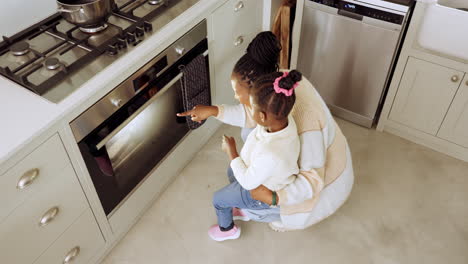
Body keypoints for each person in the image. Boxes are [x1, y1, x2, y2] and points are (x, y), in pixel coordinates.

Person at [177, 31, 354, 232]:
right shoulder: (279, 88)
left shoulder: (305, 124)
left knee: (253, 205)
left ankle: (266, 214)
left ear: (259, 105)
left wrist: (273, 197)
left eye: (238, 93)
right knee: (247, 135)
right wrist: (214, 111)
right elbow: (250, 116)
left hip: (324, 184)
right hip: (279, 163)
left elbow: (312, 181)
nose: (235, 98)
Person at [209, 71, 302, 241]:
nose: (247, 108)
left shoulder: (273, 153)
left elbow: (248, 182)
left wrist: (232, 151)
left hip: (260, 191)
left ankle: (227, 230)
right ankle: (240, 205)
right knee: (232, 172)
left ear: (261, 116)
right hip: (259, 175)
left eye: (251, 107)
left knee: (219, 199)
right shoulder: (280, 121)